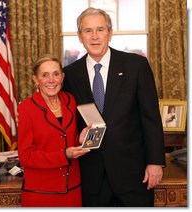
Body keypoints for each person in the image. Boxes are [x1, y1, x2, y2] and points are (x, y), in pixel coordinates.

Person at [63, 7, 166, 207]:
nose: (94, 36)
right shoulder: (70, 74)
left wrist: (155, 162)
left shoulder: (136, 65)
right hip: (91, 177)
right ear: (79, 36)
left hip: (133, 175)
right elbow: (69, 123)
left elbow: (151, 117)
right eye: (88, 31)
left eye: (100, 29)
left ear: (110, 33)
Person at [17, 54, 90, 207]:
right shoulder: (26, 108)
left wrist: (79, 140)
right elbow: (25, 157)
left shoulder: (70, 100)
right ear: (36, 80)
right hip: (41, 193)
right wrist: (64, 155)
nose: (51, 80)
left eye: (56, 74)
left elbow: (65, 139)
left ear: (62, 77)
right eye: (45, 75)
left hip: (72, 190)